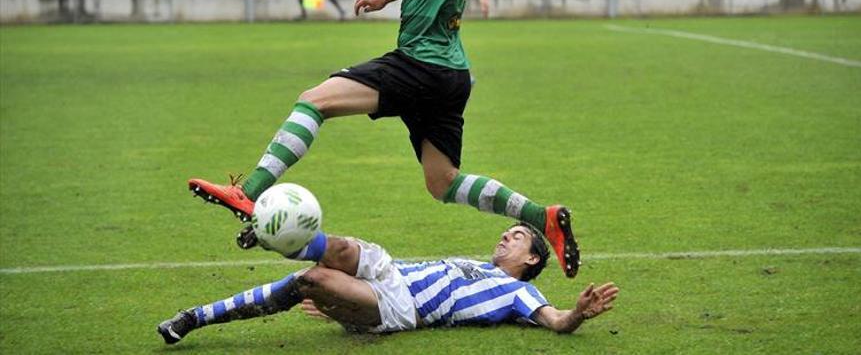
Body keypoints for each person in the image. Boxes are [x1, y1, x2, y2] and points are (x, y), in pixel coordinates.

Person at [187, 0, 581, 278]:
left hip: (420, 65)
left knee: (314, 102)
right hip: (449, 75)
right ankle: (543, 217)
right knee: (443, 182)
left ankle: (248, 193)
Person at [157, 223, 619, 343]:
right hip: (389, 270)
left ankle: (196, 317)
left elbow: (556, 321)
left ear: (533, 258)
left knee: (311, 280)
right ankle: (271, 233)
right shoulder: (470, 261)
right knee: (337, 251)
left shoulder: (522, 293)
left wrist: (578, 312)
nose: (505, 235)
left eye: (516, 237)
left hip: (399, 309)